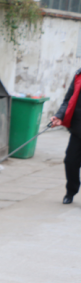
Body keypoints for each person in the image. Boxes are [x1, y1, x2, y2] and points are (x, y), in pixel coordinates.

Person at [51, 68, 81, 204]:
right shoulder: (79, 75)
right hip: (78, 129)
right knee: (71, 161)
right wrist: (59, 116)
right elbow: (68, 99)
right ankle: (71, 191)